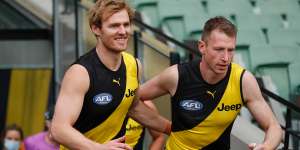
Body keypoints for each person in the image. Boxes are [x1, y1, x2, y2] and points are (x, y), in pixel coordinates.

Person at [137, 16, 283, 150]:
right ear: (202, 47)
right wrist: (165, 126)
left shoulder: (243, 80)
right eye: (219, 49)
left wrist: (267, 146)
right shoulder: (176, 76)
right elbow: (131, 99)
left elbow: (274, 127)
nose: (226, 58)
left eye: (230, 50)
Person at [50, 0, 170, 149]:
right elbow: (58, 130)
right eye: (114, 26)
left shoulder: (134, 65)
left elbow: (133, 107)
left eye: (126, 24)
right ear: (96, 29)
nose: (123, 31)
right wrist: (99, 148)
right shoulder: (80, 73)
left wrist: (171, 128)